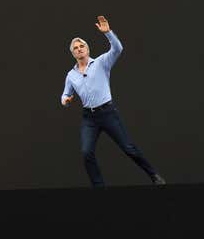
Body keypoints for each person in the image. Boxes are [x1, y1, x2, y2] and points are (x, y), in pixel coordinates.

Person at [61, 16, 165, 187]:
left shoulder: (101, 62)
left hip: (108, 113)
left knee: (128, 148)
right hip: (89, 118)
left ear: (87, 49)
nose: (79, 49)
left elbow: (117, 49)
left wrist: (108, 32)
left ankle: (154, 175)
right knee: (86, 152)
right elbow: (64, 95)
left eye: (82, 46)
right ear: (73, 53)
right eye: (75, 48)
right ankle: (99, 187)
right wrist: (65, 100)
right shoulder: (71, 75)